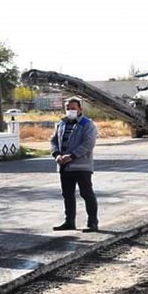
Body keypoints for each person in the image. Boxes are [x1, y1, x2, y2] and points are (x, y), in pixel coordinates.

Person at [50, 97, 99, 233]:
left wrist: (71, 156)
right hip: (64, 167)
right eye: (68, 108)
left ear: (80, 109)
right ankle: (69, 221)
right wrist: (57, 154)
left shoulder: (87, 124)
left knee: (86, 194)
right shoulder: (61, 124)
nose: (70, 111)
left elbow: (88, 144)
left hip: (81, 166)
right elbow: (53, 141)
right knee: (67, 194)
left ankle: (92, 223)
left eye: (73, 108)